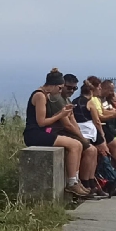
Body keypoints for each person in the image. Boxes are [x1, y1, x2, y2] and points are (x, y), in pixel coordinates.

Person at [24, 70, 93, 200]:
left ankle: (75, 180)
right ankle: (72, 182)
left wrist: (62, 112)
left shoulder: (46, 95)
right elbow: (41, 122)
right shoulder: (40, 95)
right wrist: (61, 115)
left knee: (77, 145)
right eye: (60, 88)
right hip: (34, 134)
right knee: (74, 145)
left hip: (41, 132)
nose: (60, 91)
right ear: (54, 85)